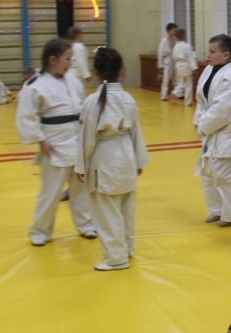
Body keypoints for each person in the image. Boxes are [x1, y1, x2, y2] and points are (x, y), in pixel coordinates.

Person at [17, 38, 97, 246]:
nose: (71, 63)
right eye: (67, 59)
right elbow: (26, 116)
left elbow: (81, 107)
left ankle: (86, 224)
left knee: (81, 188)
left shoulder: (72, 80)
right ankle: (40, 231)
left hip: (77, 139)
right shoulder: (35, 85)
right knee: (50, 192)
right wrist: (40, 139)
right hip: (54, 143)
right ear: (52, 60)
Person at [75, 47, 148, 271]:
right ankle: (127, 248)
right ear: (121, 71)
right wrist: (139, 160)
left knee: (106, 211)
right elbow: (136, 132)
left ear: (95, 71)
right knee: (126, 208)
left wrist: (81, 165)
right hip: (126, 154)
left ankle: (116, 258)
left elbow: (86, 138)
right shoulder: (128, 99)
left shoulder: (93, 102)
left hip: (105, 156)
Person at [194, 34, 231, 227]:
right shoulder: (209, 70)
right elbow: (201, 100)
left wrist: (203, 126)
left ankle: (230, 215)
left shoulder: (229, 78)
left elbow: (221, 111)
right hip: (209, 131)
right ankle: (215, 210)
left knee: (224, 176)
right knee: (208, 173)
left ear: (225, 55)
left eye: (212, 51)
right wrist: (199, 120)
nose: (208, 55)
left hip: (224, 132)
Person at [171, 27, 198, 106]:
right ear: (183, 36)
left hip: (178, 66)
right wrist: (194, 68)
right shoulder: (187, 46)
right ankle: (187, 102)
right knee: (188, 84)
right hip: (186, 66)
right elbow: (190, 58)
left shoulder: (175, 46)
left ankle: (176, 91)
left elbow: (173, 57)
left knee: (180, 82)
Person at [66, 26, 92, 102]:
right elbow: (81, 62)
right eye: (81, 34)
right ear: (77, 35)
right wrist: (86, 75)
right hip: (76, 74)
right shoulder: (79, 46)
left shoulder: (71, 46)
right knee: (80, 97)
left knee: (72, 96)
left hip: (70, 73)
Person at [158, 22, 177, 101]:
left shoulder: (175, 40)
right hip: (167, 62)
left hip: (174, 61)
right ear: (169, 31)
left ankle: (177, 94)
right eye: (173, 30)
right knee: (165, 80)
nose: (175, 32)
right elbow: (160, 53)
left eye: (175, 31)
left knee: (175, 79)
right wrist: (160, 65)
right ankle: (164, 96)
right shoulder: (164, 40)